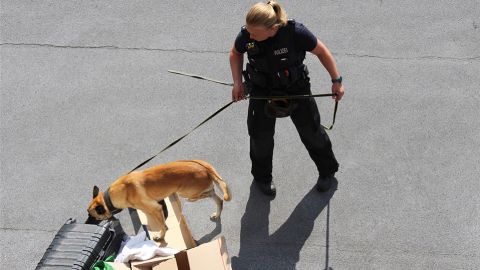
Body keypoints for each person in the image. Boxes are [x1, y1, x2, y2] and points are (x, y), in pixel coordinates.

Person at [229, 1, 344, 196]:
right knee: (259, 137)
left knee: (312, 131)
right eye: (248, 31)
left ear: (272, 28)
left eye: (254, 33)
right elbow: (235, 53)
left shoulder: (296, 33)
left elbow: (321, 51)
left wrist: (337, 80)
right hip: (262, 90)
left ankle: (327, 171)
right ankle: (262, 177)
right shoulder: (247, 34)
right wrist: (237, 83)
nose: (249, 36)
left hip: (295, 88)